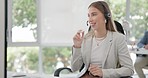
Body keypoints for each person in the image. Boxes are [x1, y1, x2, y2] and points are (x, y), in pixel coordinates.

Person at [71, 1, 134, 78]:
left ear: (106, 16)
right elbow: (74, 68)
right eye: (89, 16)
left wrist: (103, 73)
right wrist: (77, 46)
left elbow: (129, 69)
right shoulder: (86, 39)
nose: (90, 19)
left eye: (94, 14)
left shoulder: (118, 38)